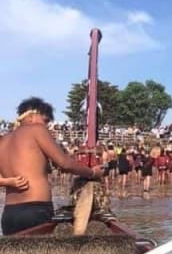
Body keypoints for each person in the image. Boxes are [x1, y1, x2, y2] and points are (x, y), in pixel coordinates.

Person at [0, 97, 103, 235]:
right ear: (31, 116)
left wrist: (9, 181)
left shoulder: (4, 140)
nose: (47, 125)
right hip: (35, 210)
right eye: (45, 120)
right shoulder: (36, 129)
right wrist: (92, 173)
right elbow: (64, 163)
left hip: (9, 214)